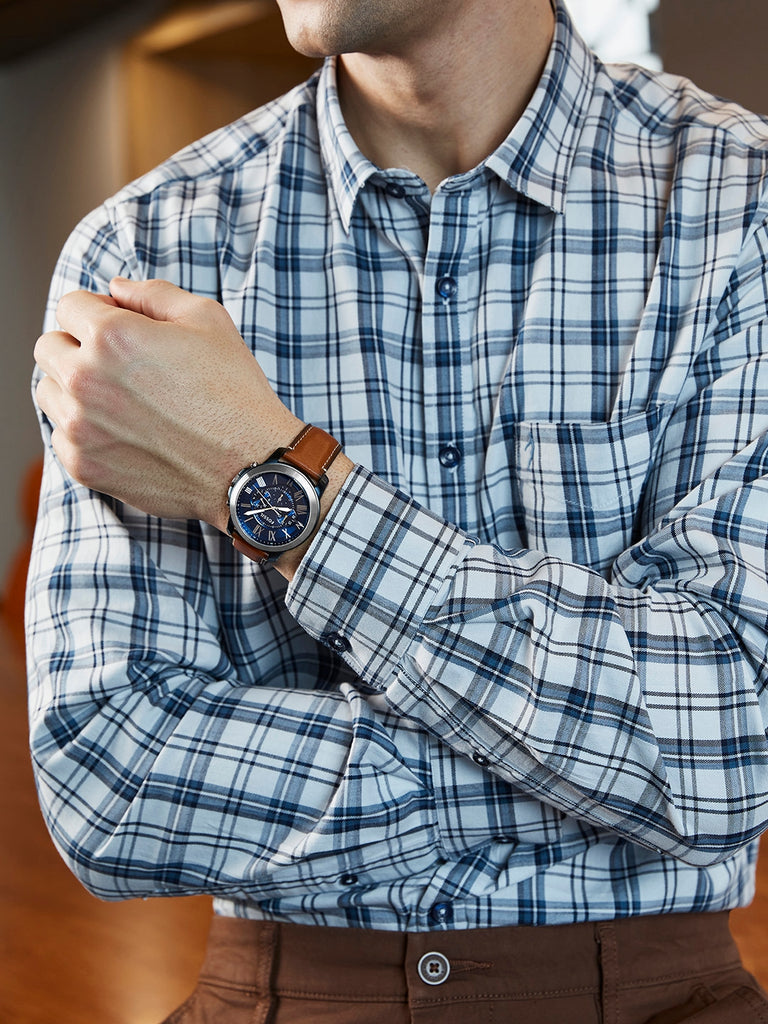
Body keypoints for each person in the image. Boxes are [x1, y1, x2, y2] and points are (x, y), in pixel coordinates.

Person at [26, 0, 768, 1021]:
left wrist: (269, 479)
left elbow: (734, 731)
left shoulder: (743, 202)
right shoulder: (146, 245)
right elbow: (110, 778)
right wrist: (596, 774)